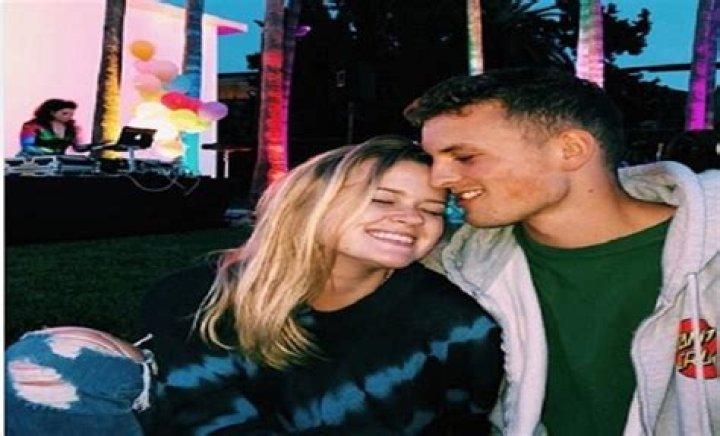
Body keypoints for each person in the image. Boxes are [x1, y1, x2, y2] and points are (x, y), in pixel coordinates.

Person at [6, 136, 504, 435]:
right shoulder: (195, 295)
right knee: (53, 360)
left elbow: (463, 424)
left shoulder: (455, 323)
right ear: (311, 203)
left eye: (432, 210)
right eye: (383, 200)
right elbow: (205, 417)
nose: (411, 219)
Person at [403, 67, 720, 435]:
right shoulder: (454, 268)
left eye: (464, 156)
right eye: (433, 160)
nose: (438, 178)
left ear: (571, 150)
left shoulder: (710, 257)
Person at [17, 98, 89, 157]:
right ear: (52, 113)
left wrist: (91, 146)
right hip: (32, 161)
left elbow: (77, 148)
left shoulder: (72, 128)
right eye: (64, 114)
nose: (69, 117)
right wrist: (51, 153)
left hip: (57, 161)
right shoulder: (32, 126)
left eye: (71, 114)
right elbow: (28, 147)